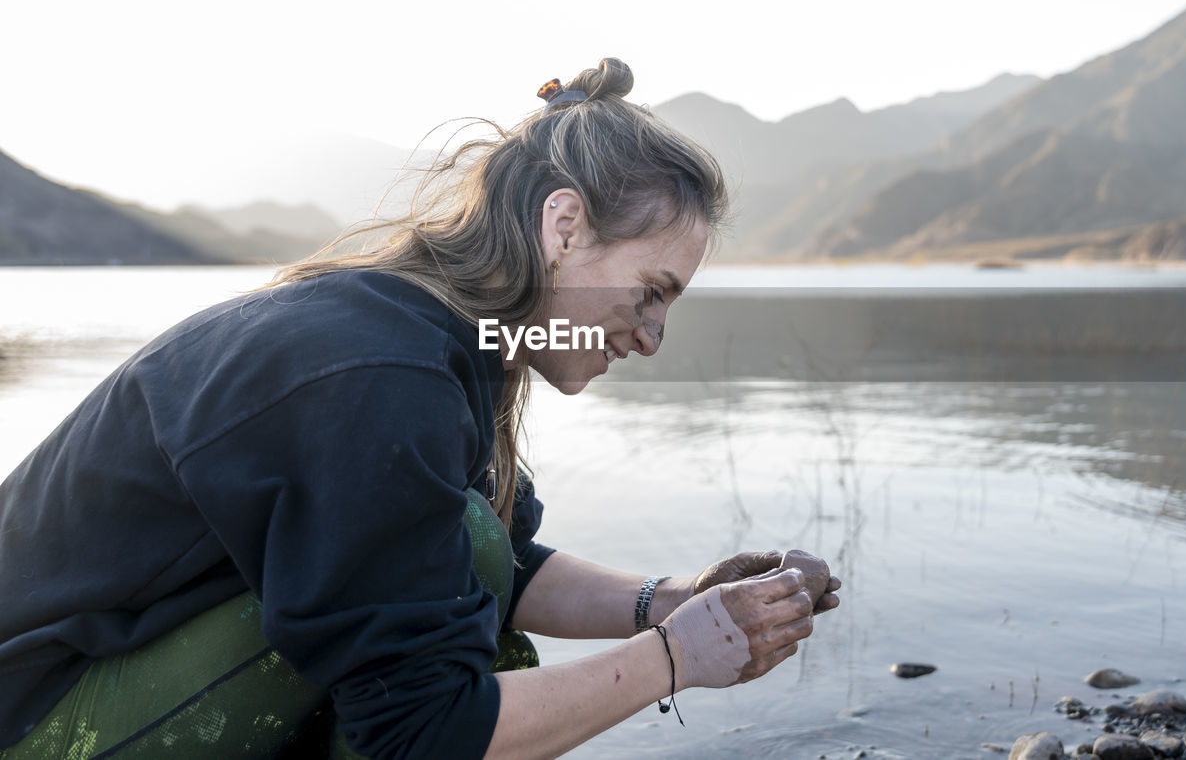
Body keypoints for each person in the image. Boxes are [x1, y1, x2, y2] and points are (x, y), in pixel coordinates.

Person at [0, 58, 840, 759]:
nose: (653, 335)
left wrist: (672, 598)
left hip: (97, 685)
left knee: (471, 570)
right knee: (454, 628)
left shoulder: (440, 341)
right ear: (564, 227)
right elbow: (421, 730)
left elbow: (504, 564)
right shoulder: (374, 373)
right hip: (34, 720)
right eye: (651, 292)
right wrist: (675, 658)